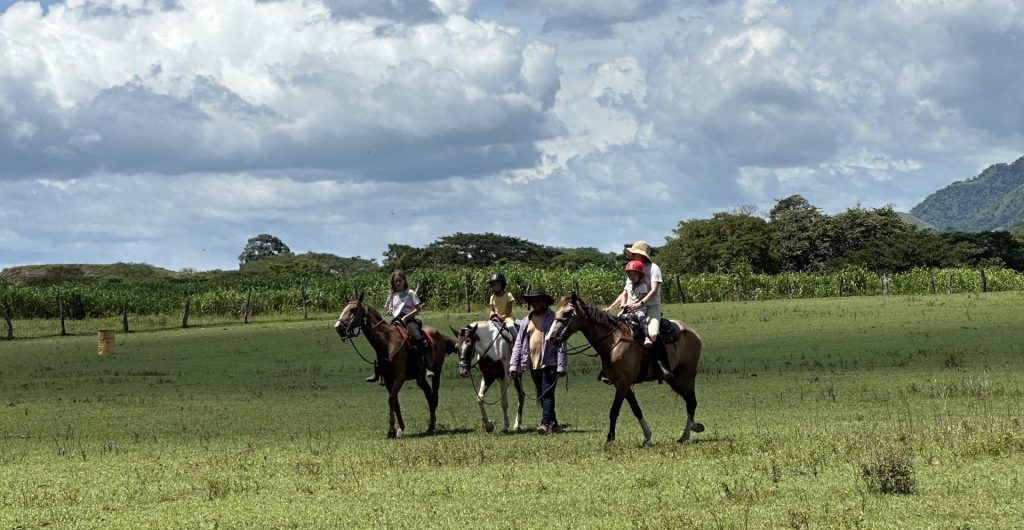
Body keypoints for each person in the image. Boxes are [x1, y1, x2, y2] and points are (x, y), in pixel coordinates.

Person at [509, 288, 567, 434]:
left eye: (539, 300)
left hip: (550, 362)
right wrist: (513, 365)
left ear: (545, 302)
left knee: (547, 392)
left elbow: (561, 342)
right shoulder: (526, 320)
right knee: (542, 393)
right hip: (533, 363)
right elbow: (518, 343)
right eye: (533, 301)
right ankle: (553, 423)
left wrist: (561, 365)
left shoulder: (553, 318)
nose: (536, 303)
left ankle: (545, 423)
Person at [366, 270, 433, 383]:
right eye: (395, 281)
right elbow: (389, 309)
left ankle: (427, 367)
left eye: (399, 281)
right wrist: (390, 311)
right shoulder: (392, 295)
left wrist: (406, 317)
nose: (397, 283)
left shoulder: (410, 293)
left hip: (410, 320)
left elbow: (418, 309)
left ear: (404, 280)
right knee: (382, 342)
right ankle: (378, 372)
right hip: (396, 321)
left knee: (417, 338)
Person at [621, 240, 671, 380]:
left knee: (653, 334)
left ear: (642, 255)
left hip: (652, 306)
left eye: (634, 254)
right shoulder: (633, 269)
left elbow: (654, 290)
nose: (632, 256)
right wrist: (612, 307)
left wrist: (641, 302)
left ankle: (663, 367)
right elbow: (625, 291)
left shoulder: (654, 268)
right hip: (634, 306)